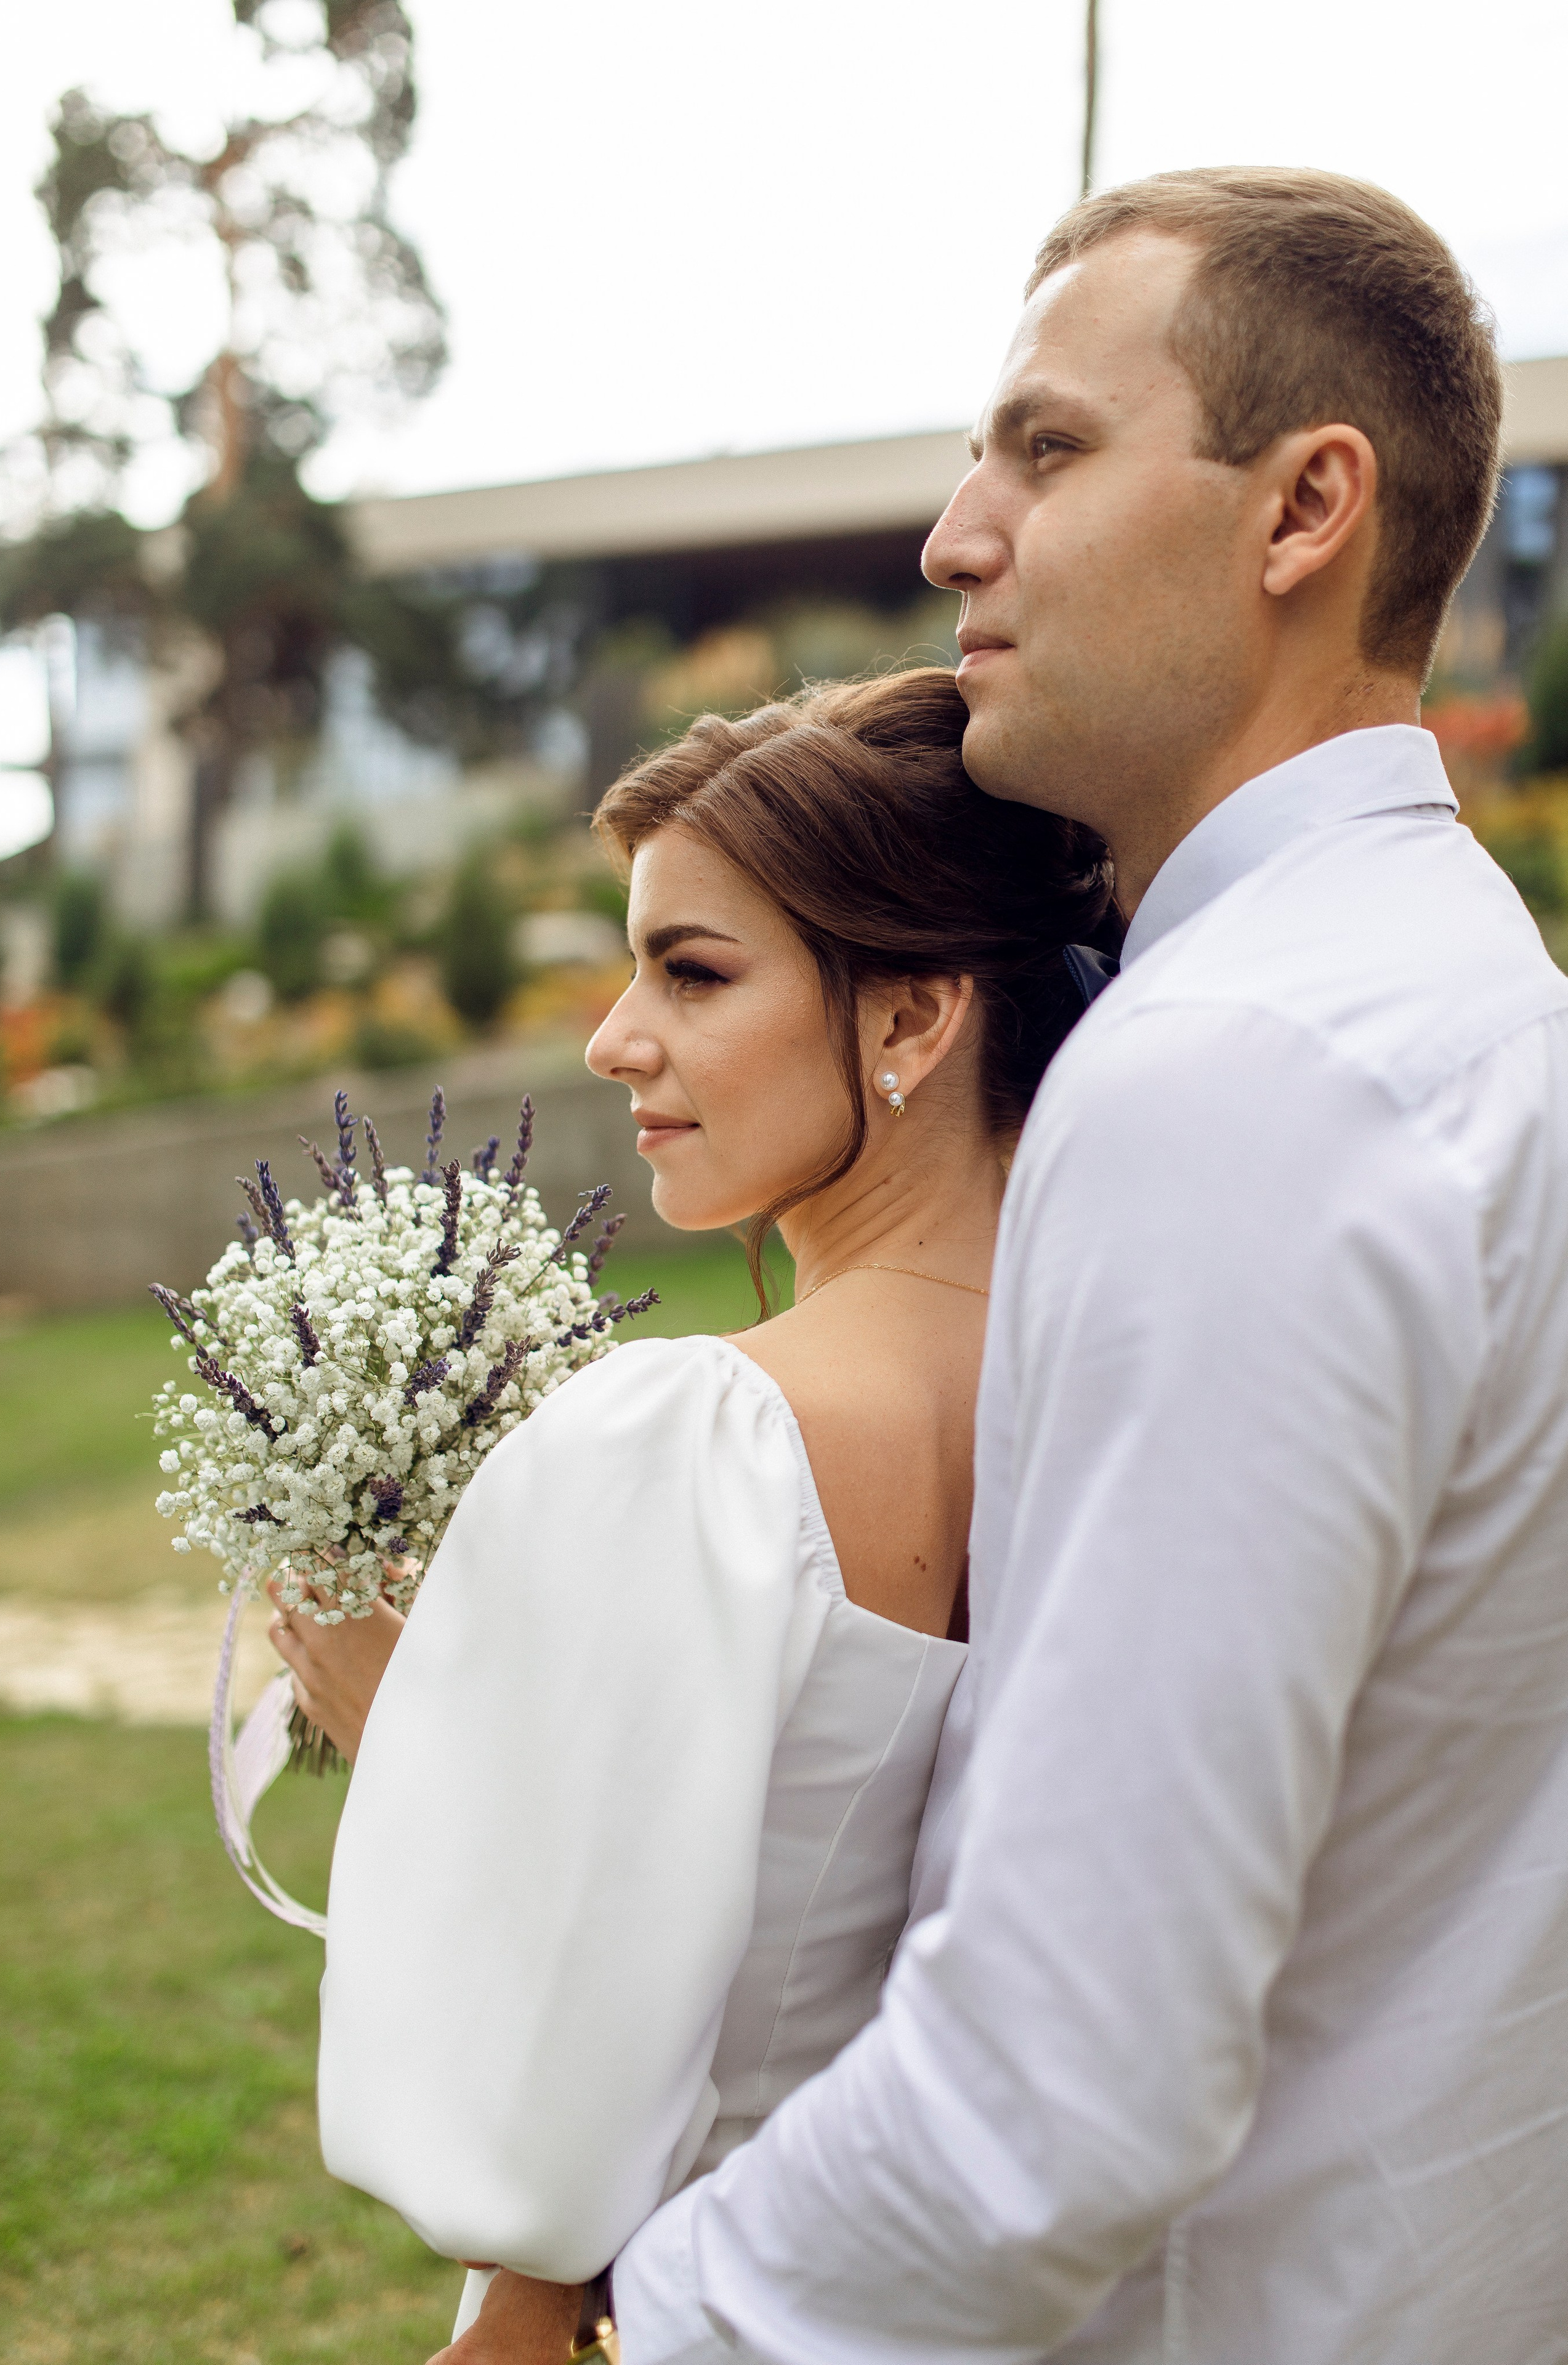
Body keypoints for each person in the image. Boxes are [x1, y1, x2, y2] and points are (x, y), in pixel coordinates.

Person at [588, 168, 1568, 2365]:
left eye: (1047, 449)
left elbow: (1060, 2093)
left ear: (1306, 509)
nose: (955, 538)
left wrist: (648, 2324)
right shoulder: (1478, 998)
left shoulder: (1234, 1075)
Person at [272, 669, 1117, 2358]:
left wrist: (405, 1728)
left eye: (694, 971)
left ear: (908, 1018)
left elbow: (539, 2097)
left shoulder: (709, 1435)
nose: (615, 1037)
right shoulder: (1107, 1386)